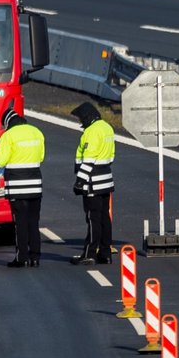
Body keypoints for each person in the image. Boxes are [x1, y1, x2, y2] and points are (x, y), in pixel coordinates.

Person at [0, 108, 45, 268]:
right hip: (35, 186)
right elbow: (41, 156)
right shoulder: (37, 132)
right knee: (33, 222)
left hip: (17, 187)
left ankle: (21, 258)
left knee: (21, 224)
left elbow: (0, 161)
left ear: (8, 122)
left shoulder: (9, 135)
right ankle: (35, 257)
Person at [69, 101, 115, 265]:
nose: (80, 122)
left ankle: (89, 253)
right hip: (106, 179)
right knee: (104, 218)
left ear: (88, 116)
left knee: (92, 218)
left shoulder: (91, 132)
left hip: (92, 181)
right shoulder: (107, 128)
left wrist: (80, 182)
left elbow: (88, 159)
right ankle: (106, 253)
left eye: (80, 119)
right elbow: (110, 157)